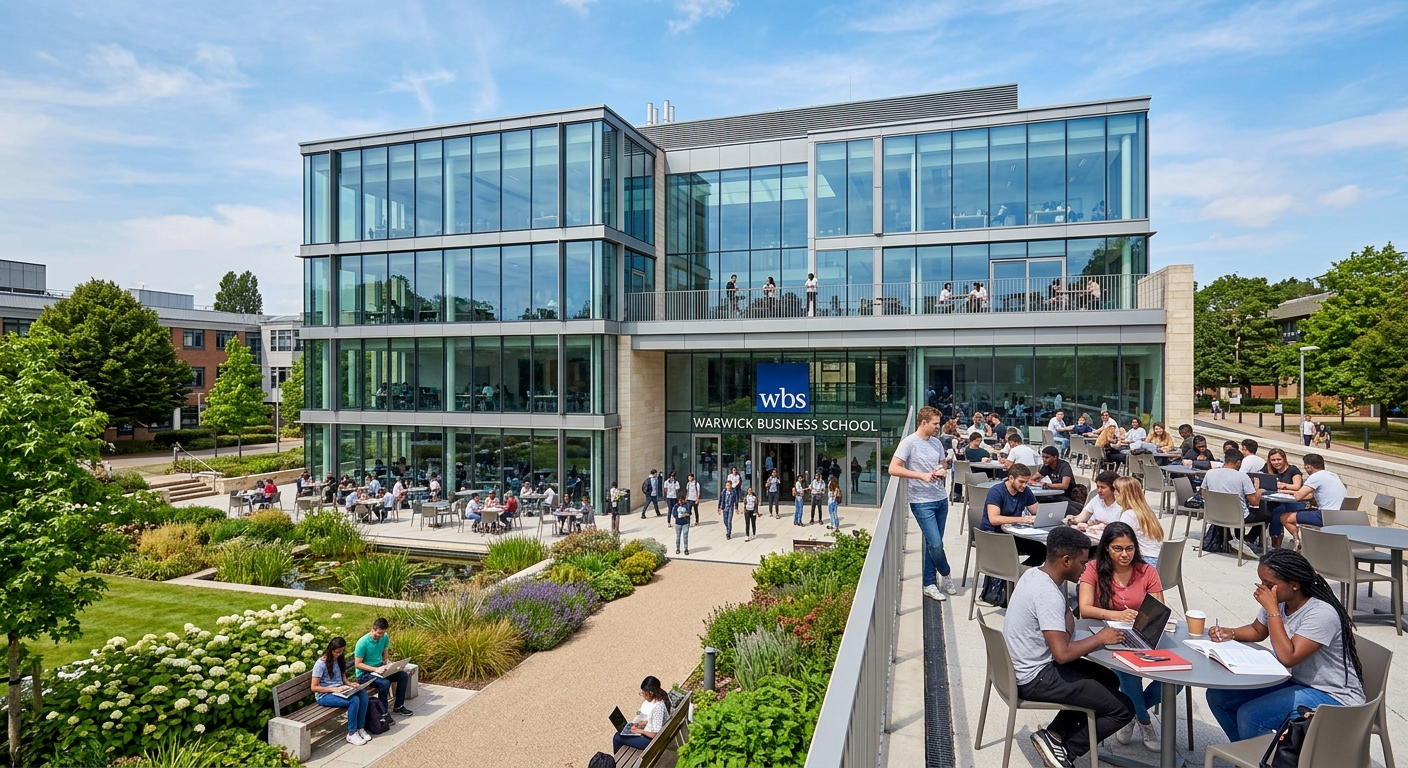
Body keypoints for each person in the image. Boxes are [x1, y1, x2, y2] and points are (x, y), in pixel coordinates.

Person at [1004, 526, 1134, 768]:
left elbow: (1069, 623)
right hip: (1034, 678)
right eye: (1082, 562)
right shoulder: (1047, 594)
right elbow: (1062, 654)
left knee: (1108, 678)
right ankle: (1066, 751)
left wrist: (1068, 625)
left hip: (1024, 667)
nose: (1086, 568)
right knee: (1124, 709)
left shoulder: (1035, 575)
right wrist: (1101, 638)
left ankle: (1053, 735)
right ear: (1066, 560)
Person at [1206, 549, 1365, 741]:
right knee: (1219, 697)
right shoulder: (1281, 601)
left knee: (1251, 715)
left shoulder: (1321, 613)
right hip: (1296, 681)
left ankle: (1263, 760)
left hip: (1332, 695)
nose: (1262, 589)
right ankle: (1247, 755)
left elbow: (1288, 656)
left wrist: (1272, 609)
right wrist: (1230, 633)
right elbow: (1258, 630)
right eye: (1261, 582)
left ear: (1295, 585)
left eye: (1269, 584)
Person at [1077, 522, 1166, 751]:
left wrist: (1142, 622)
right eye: (1118, 548)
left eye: (1129, 548)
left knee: (1174, 682)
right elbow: (1085, 608)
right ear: (1106, 547)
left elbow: (1158, 608)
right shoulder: (1093, 568)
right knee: (1129, 675)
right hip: (1105, 635)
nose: (1125, 554)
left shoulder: (1147, 571)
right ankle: (1144, 720)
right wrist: (1117, 614)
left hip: (1140, 634)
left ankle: (1132, 712)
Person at [889, 406, 955, 600]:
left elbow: (943, 463)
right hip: (921, 501)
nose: (938, 427)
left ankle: (929, 583)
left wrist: (942, 469)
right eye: (935, 424)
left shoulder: (936, 443)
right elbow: (893, 468)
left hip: (940, 499)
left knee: (933, 543)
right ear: (923, 423)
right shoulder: (909, 443)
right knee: (935, 544)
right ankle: (945, 573)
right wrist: (921, 476)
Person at [1201, 451, 1267, 557]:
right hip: (1237, 517)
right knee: (1267, 516)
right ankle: (1248, 539)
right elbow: (1254, 502)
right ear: (1238, 462)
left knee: (1240, 509)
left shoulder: (1210, 473)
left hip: (1214, 515)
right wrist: (1258, 491)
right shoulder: (1243, 477)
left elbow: (1204, 493)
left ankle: (1238, 539)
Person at [312, 637, 373, 746]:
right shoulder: (320, 664)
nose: (339, 654)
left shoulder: (338, 659)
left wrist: (349, 684)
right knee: (353, 700)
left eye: (341, 651)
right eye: (337, 652)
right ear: (331, 649)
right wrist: (333, 689)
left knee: (362, 694)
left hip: (339, 690)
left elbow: (342, 676)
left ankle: (360, 728)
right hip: (325, 695)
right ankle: (351, 733)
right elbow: (314, 687)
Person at [982, 463, 1045, 567]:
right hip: (993, 535)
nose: (1024, 485)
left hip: (1012, 535)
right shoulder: (996, 491)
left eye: (1026, 482)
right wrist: (1022, 519)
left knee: (1043, 550)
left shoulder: (1025, 491)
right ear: (1011, 478)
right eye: (1021, 482)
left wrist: (1049, 515)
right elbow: (994, 519)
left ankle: (1020, 573)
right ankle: (1010, 576)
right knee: (1008, 552)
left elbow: (1036, 510)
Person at [1280, 453, 1348, 543]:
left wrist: (1283, 491)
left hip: (1325, 516)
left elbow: (1298, 496)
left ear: (1308, 467)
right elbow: (1310, 495)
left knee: (1284, 517)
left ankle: (1298, 543)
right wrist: (1288, 491)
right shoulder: (1333, 475)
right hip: (1342, 515)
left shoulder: (1315, 477)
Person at [354, 618, 413, 718]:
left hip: (380, 670)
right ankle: (383, 712)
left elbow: (385, 649)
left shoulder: (384, 637)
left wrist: (387, 661)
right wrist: (375, 669)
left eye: (382, 633)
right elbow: (358, 664)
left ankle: (399, 706)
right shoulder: (362, 643)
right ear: (373, 629)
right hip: (365, 674)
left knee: (403, 675)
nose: (380, 636)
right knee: (385, 683)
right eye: (378, 633)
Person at [1113, 477, 1165, 567]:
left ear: (1125, 494)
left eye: (1117, 490)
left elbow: (1120, 539)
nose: (1114, 493)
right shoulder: (1146, 511)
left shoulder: (1128, 514)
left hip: (1144, 560)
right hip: (1159, 560)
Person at [613, 676, 673, 754]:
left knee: (617, 737)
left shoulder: (658, 707)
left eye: (644, 694)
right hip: (652, 736)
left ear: (651, 693)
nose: (644, 696)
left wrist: (639, 731)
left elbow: (655, 735)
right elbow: (657, 721)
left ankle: (617, 763)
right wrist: (643, 723)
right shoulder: (661, 699)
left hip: (650, 742)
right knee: (625, 731)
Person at [1264, 448, 1305, 549]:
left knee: (1278, 512)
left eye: (1279, 459)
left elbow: (1297, 486)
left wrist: (1282, 485)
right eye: (1273, 460)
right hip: (1275, 501)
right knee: (1267, 511)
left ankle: (1276, 543)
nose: (1276, 462)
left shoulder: (1293, 470)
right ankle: (1273, 540)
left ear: (1284, 459)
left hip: (1294, 501)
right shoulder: (1268, 469)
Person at [1036, 446, 1081, 517]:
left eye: (1047, 457)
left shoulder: (1064, 466)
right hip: (1055, 494)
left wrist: (1047, 485)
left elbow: (1064, 486)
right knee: (1036, 499)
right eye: (1043, 457)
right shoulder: (1046, 466)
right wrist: (1035, 483)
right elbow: (1033, 478)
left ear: (1055, 457)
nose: (1044, 460)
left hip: (1067, 495)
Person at [674, 483, 692, 555]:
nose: (680, 502)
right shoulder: (676, 506)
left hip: (685, 523)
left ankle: (686, 549)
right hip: (678, 523)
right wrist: (677, 516)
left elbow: (689, 513)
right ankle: (678, 548)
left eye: (682, 501)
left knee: (685, 536)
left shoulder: (687, 505)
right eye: (679, 501)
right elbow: (674, 513)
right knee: (678, 537)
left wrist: (684, 515)